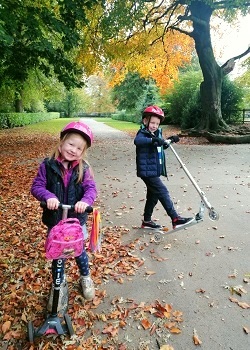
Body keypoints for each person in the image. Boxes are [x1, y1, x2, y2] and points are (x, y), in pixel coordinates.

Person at [31, 121, 97, 315]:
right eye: (71, 144)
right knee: (57, 253)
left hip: (76, 221)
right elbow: (37, 186)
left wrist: (85, 201)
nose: (74, 150)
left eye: (79, 148)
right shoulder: (48, 165)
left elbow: (91, 189)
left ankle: (85, 276)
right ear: (61, 143)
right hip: (55, 220)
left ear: (83, 152)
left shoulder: (83, 168)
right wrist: (48, 196)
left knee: (78, 251)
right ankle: (58, 285)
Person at [134, 105, 194, 230]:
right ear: (145, 121)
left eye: (157, 123)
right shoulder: (143, 133)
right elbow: (138, 141)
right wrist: (153, 141)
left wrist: (170, 140)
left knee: (153, 195)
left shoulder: (156, 133)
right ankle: (175, 218)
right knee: (162, 191)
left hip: (154, 171)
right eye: (152, 123)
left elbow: (159, 146)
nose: (154, 126)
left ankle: (146, 221)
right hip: (147, 171)